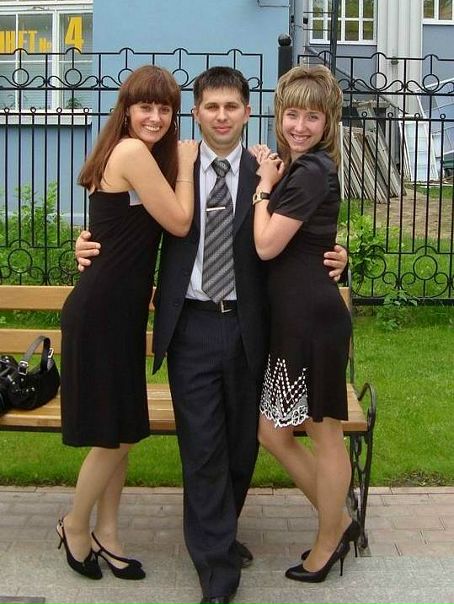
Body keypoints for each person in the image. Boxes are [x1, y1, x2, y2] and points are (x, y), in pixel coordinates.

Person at [75, 66, 348, 603]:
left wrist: (341, 259)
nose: (222, 116)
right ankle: (217, 572)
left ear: (247, 113)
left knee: (241, 450)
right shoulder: (169, 165)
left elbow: (308, 233)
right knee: (202, 450)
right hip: (191, 324)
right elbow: (117, 221)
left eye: (232, 107)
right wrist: (84, 246)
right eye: (211, 107)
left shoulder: (270, 171)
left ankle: (219, 532)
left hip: (251, 326)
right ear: (196, 114)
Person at [57, 65, 198, 582]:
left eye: (165, 109)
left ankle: (109, 534)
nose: (155, 117)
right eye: (145, 107)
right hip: (103, 312)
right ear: (127, 110)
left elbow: (118, 232)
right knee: (115, 435)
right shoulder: (134, 153)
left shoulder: (134, 154)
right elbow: (179, 221)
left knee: (120, 427)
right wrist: (186, 166)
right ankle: (75, 525)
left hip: (119, 309)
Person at [252, 64, 355, 584]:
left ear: (327, 121)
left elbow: (266, 245)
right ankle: (340, 521)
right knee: (273, 431)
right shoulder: (300, 168)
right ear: (279, 116)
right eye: (292, 114)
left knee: (323, 432)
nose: (299, 125)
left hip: (311, 320)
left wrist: (262, 189)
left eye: (312, 117)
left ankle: (329, 538)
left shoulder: (309, 170)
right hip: (295, 320)